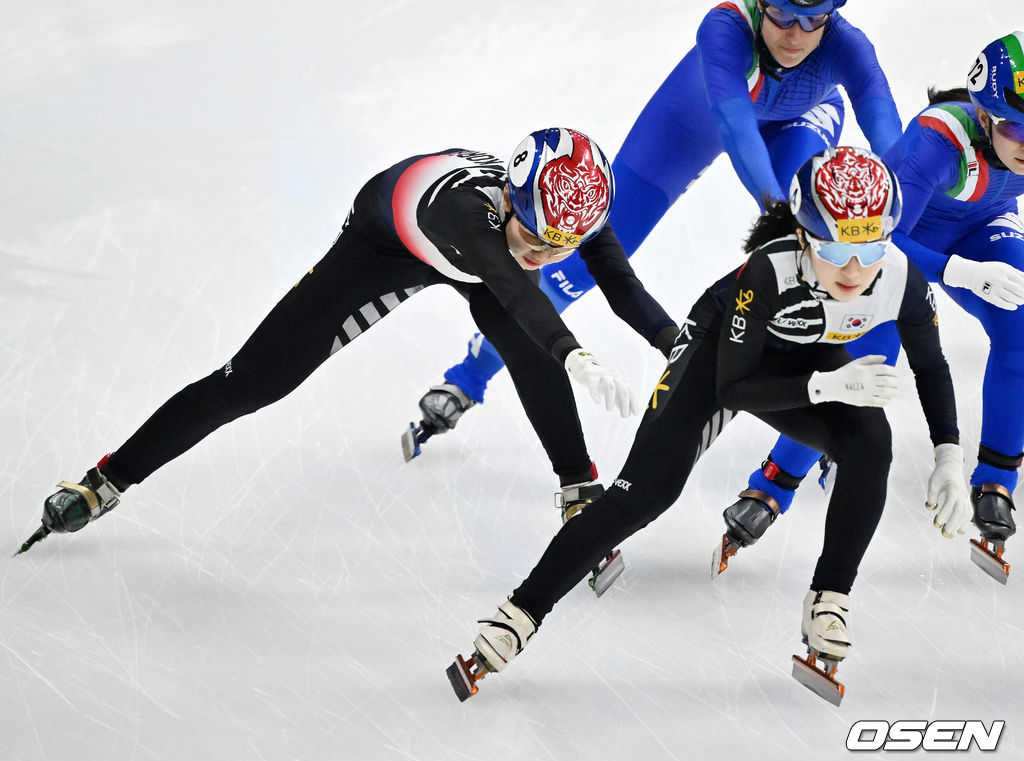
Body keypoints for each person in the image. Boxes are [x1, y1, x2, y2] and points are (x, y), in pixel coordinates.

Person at [16, 128, 679, 570]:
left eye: (557, 248)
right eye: (533, 237)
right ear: (510, 197)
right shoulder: (470, 216)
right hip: (385, 242)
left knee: (530, 351)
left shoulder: (569, 210)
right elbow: (510, 281)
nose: (540, 253)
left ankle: (577, 492)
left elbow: (621, 283)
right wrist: (574, 351)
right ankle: (106, 478)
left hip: (481, 256)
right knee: (250, 383)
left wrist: (675, 343)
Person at [446, 146, 971, 705]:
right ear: (802, 237)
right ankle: (518, 614)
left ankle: (829, 601)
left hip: (801, 362)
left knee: (872, 445)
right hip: (718, 358)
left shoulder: (898, 277)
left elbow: (932, 365)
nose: (854, 269)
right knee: (643, 495)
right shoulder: (767, 273)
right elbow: (734, 390)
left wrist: (949, 455)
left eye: (869, 247)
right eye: (837, 247)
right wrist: (826, 386)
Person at [405, 0, 904, 453]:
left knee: (827, 253)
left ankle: (826, 430)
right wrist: (776, 206)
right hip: (698, 112)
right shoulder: (726, 28)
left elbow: (894, 146)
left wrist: (905, 213)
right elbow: (735, 126)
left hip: (803, 117)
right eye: (781, 16)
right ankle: (468, 377)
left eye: (813, 19)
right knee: (575, 261)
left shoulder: (847, 44)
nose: (795, 35)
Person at [716, 32, 1024, 585]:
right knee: (865, 362)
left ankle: (997, 479)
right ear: (983, 113)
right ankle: (772, 483)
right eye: (1014, 127)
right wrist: (958, 272)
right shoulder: (938, 141)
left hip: (984, 234)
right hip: (890, 247)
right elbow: (888, 239)